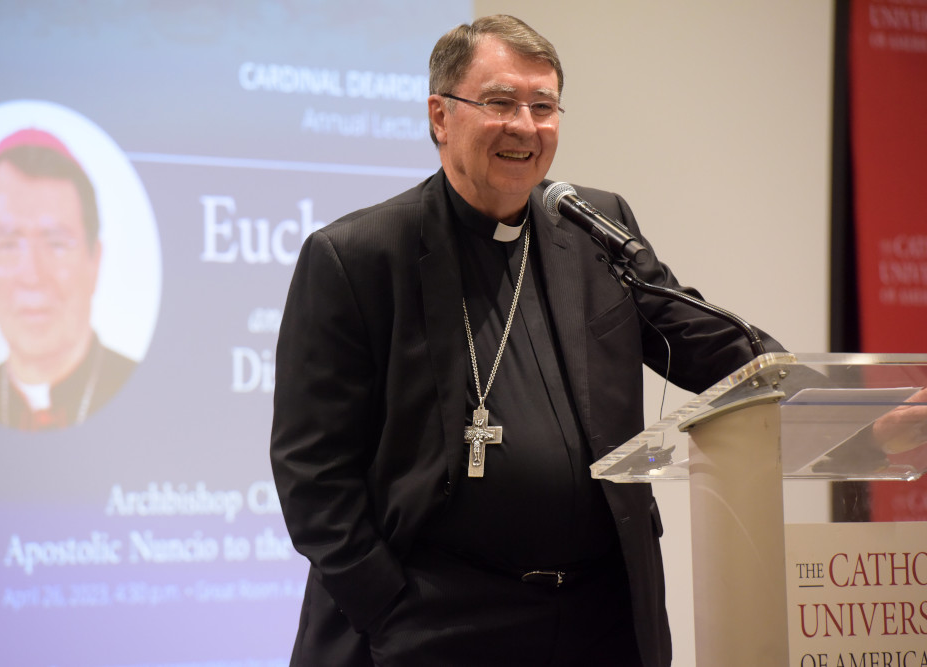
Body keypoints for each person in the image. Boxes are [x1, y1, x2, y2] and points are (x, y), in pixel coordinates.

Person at [271, 15, 779, 667]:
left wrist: (817, 394)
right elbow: (311, 472)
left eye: (544, 106)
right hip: (438, 623)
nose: (526, 126)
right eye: (501, 102)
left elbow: (700, 338)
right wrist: (387, 608)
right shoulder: (358, 258)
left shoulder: (596, 227)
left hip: (598, 618)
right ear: (440, 115)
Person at [0, 128, 135, 430]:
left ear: (95, 260)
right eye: (8, 245)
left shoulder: (148, 394)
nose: (32, 276)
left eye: (56, 244)